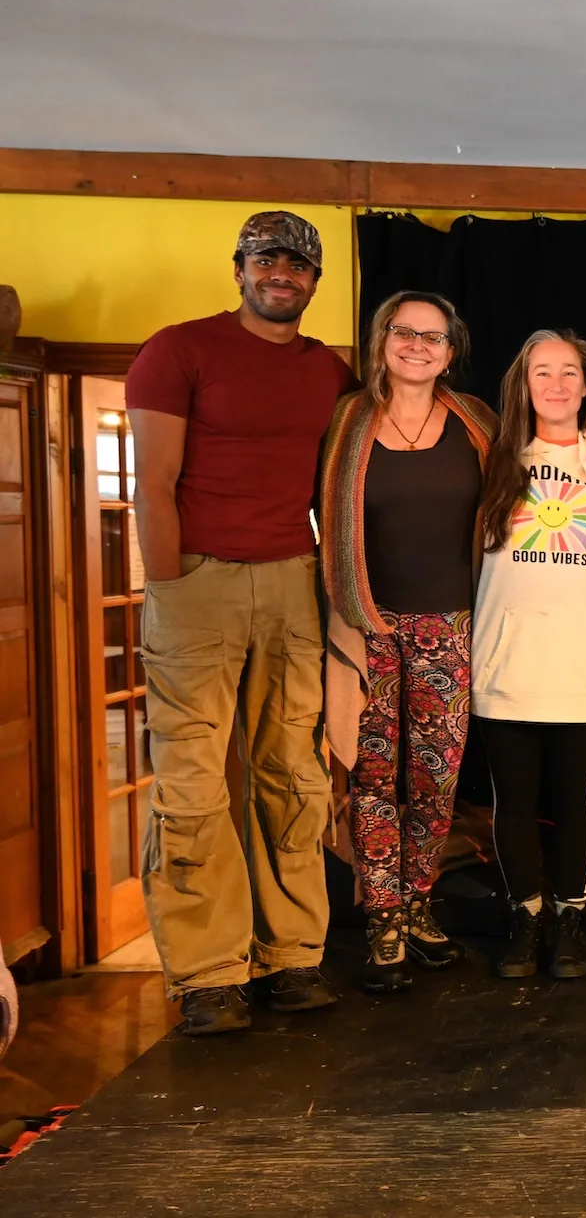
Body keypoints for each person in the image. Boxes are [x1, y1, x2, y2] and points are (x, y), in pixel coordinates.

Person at [126, 212, 358, 1035]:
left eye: (297, 264)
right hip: (198, 581)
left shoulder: (328, 371)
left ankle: (290, 954)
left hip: (293, 578)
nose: (281, 274)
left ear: (314, 280)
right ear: (239, 269)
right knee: (191, 776)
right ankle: (207, 972)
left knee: (292, 768)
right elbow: (152, 483)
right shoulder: (178, 350)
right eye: (266, 259)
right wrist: (171, 586)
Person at [319, 291, 497, 994]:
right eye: (405, 331)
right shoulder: (349, 420)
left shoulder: (477, 422)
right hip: (366, 621)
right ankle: (382, 918)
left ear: (451, 351)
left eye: (434, 336)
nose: (418, 345)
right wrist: (355, 610)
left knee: (435, 776)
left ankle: (418, 900)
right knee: (370, 778)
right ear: (382, 340)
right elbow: (325, 516)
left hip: (450, 625)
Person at [470, 330, 586, 981]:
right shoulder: (492, 456)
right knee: (514, 798)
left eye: (568, 372)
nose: (556, 384)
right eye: (542, 372)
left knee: (575, 797)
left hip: (578, 661)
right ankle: (525, 916)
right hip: (504, 660)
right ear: (523, 384)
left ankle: (569, 919)